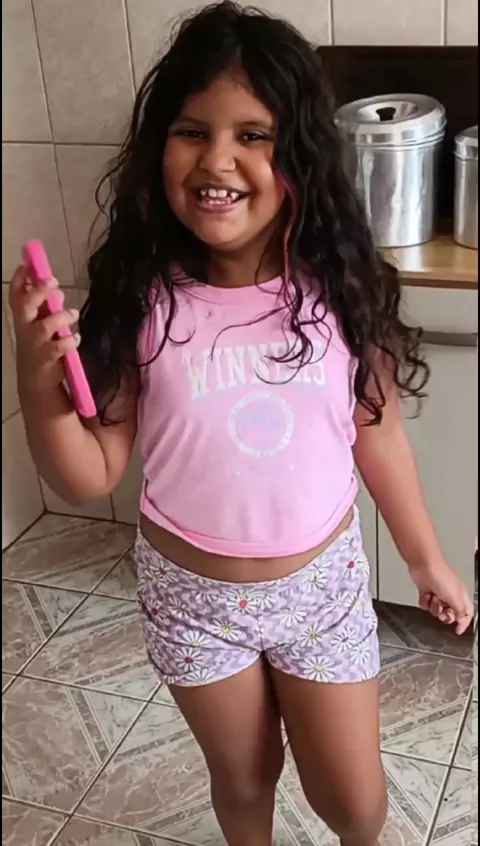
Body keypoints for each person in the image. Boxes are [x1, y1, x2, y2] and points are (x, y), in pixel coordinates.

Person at [10, 3, 473, 845]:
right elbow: (88, 472)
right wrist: (39, 382)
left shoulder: (340, 288)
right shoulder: (142, 298)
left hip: (322, 591)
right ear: (159, 148)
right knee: (245, 779)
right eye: (192, 131)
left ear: (300, 155)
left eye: (253, 135)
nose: (217, 159)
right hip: (191, 599)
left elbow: (376, 431)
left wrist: (425, 558)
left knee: (355, 804)